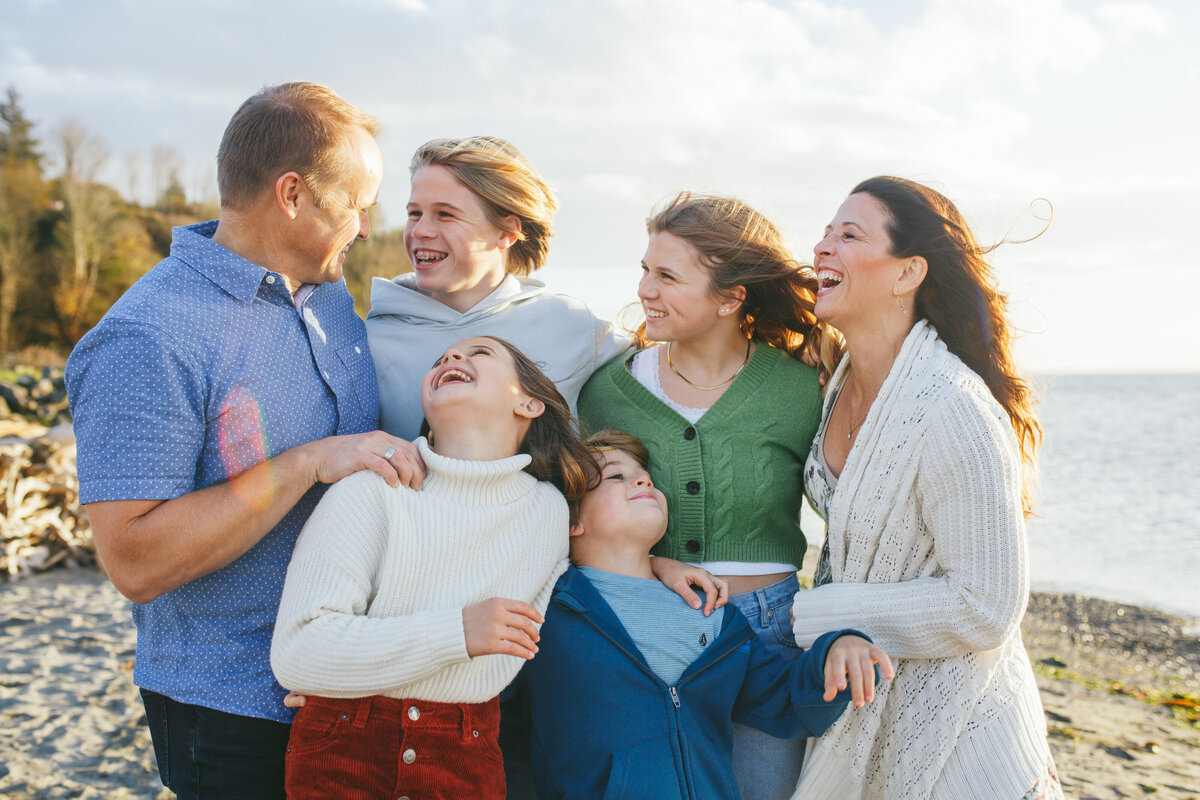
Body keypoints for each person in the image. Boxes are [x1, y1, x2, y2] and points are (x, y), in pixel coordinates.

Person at [65, 83, 423, 800]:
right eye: (355, 204)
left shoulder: (328, 300)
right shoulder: (149, 335)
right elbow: (134, 560)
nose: (364, 224)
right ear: (292, 195)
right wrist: (307, 464)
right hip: (232, 712)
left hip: (340, 690)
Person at [789, 176, 1060, 800]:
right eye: (825, 232)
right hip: (864, 687)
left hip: (959, 723)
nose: (823, 246)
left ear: (908, 272)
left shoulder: (952, 408)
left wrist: (811, 615)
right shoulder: (839, 379)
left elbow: (988, 604)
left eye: (849, 234)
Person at [577, 191, 841, 800]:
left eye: (667, 276)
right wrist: (654, 563)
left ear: (730, 297)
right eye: (645, 269)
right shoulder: (607, 394)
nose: (645, 289)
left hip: (769, 639)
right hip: (645, 630)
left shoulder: (800, 391)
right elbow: (582, 518)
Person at [270, 336, 594, 799]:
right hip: (346, 742)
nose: (451, 358)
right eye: (440, 358)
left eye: (479, 352)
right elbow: (298, 653)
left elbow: (613, 558)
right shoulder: (374, 489)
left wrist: (662, 565)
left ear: (529, 403)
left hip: (467, 750)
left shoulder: (548, 513)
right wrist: (456, 633)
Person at [518, 430, 893, 799]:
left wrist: (838, 650)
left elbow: (787, 700)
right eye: (617, 476)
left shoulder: (713, 618)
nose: (644, 479)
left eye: (645, 475)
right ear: (569, 521)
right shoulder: (546, 611)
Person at [366, 135, 629, 440]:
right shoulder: (371, 338)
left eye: (445, 214)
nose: (420, 230)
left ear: (506, 232)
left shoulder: (571, 325)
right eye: (414, 213)